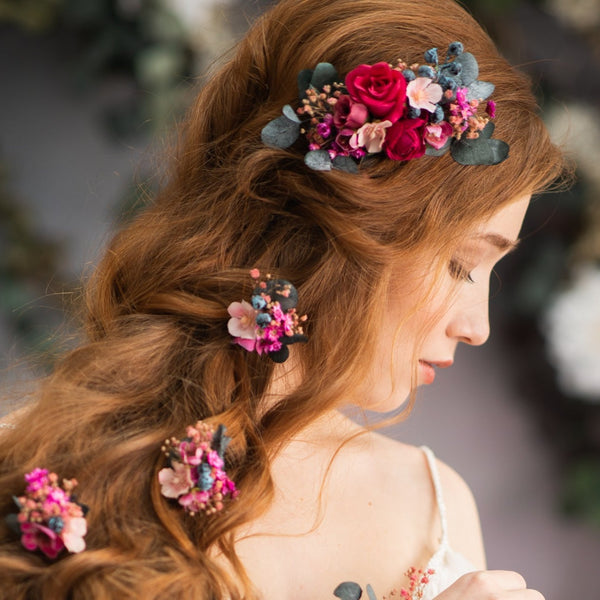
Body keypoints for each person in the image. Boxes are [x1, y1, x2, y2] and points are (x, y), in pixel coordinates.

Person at [0, 0, 567, 598]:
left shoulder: (435, 506)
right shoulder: (42, 472)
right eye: (459, 263)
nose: (477, 328)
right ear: (338, 236)